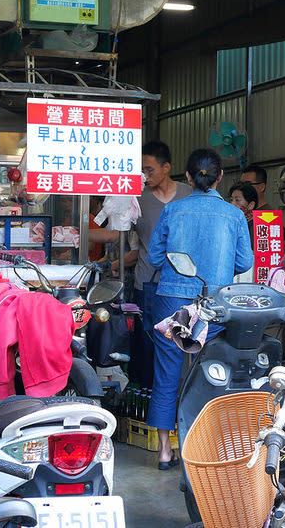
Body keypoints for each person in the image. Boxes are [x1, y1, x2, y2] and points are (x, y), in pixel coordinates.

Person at [146, 148, 253, 469]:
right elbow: (244, 262)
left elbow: (153, 258)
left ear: (188, 177)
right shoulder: (233, 215)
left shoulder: (173, 211)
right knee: (212, 373)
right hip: (213, 304)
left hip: (171, 300)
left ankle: (166, 450)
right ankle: (203, 448)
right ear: (220, 177)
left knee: (167, 373)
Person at [126, 142, 191, 388]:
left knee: (180, 344)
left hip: (183, 284)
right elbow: (117, 235)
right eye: (141, 171)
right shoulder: (137, 198)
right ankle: (145, 397)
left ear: (166, 167)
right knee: (147, 345)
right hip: (147, 283)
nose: (144, 176)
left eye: (149, 170)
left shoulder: (188, 194)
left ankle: (175, 398)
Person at [228, 181, 259, 249]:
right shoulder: (231, 223)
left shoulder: (258, 227)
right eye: (231, 200)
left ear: (251, 205)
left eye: (237, 200)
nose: (232, 204)